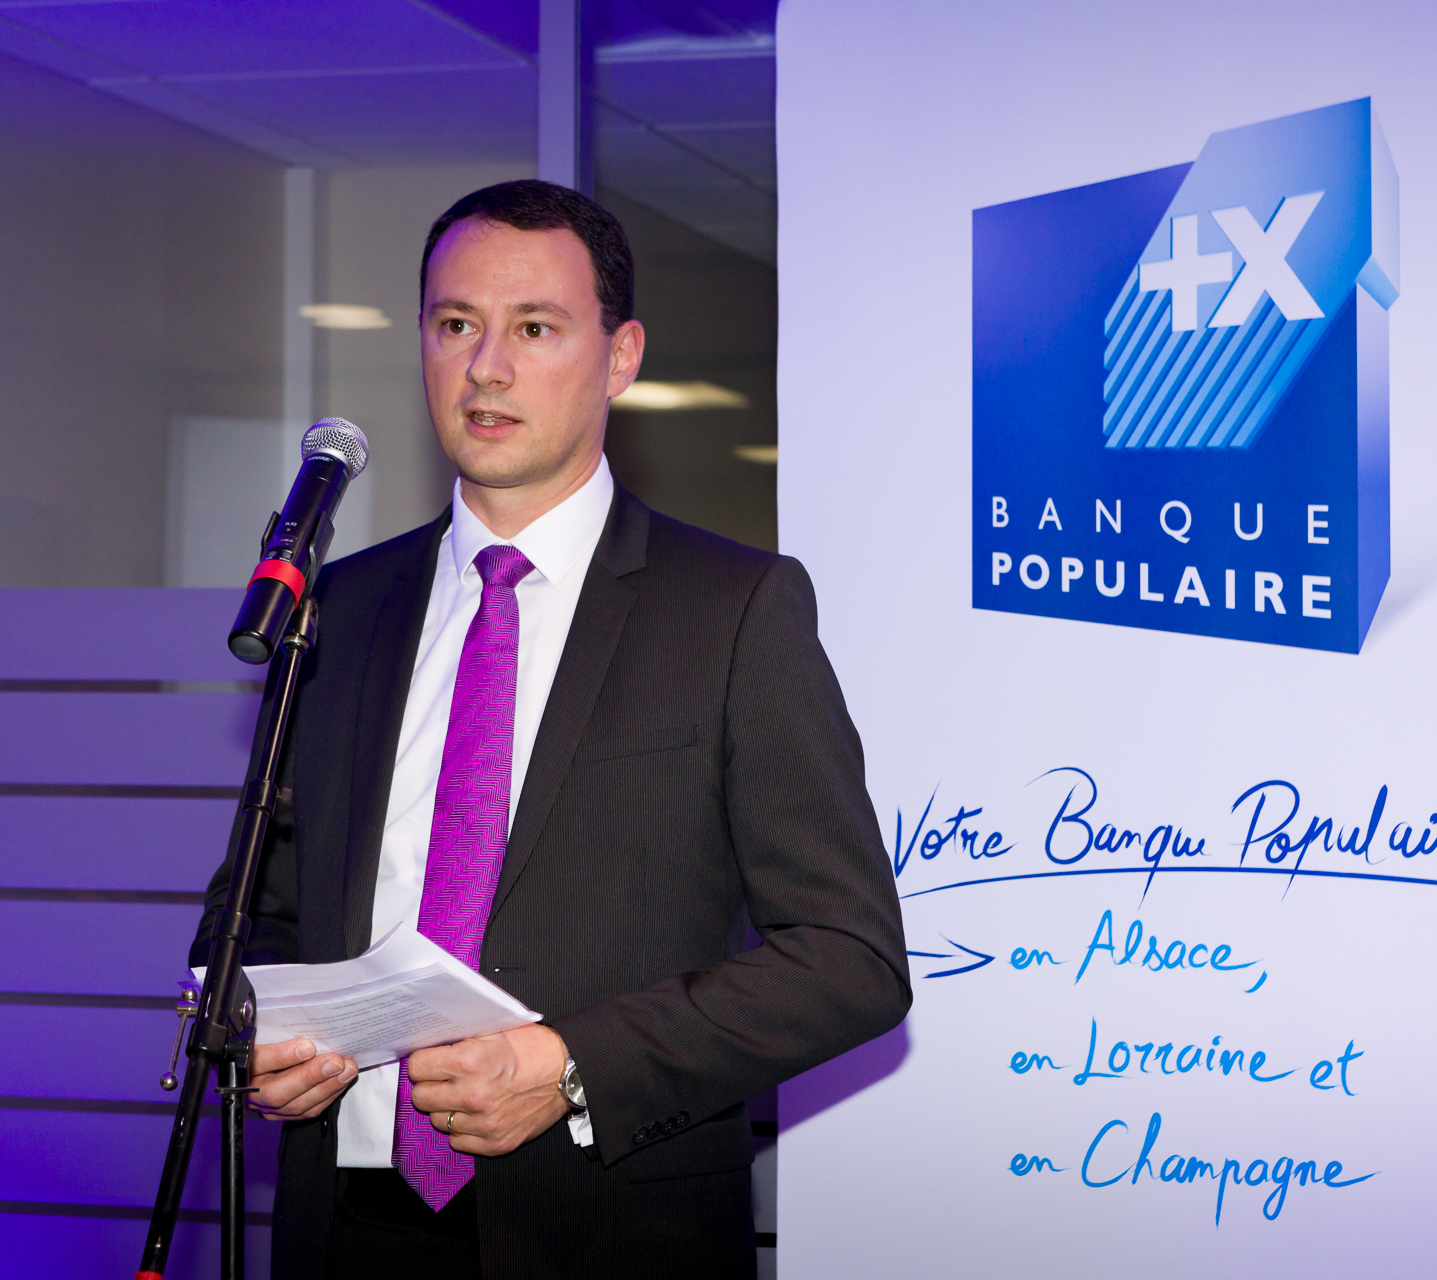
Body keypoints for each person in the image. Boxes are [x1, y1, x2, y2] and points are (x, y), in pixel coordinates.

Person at [191, 179, 909, 1280]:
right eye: (455, 324)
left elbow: (847, 960)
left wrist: (571, 1064)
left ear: (620, 357)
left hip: (610, 1231)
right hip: (344, 1230)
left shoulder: (731, 610)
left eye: (533, 328)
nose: (486, 366)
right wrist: (257, 1031)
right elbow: (253, 914)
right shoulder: (340, 608)